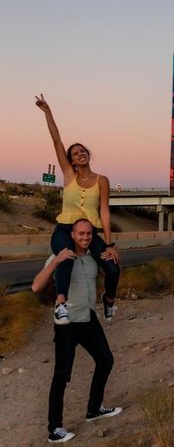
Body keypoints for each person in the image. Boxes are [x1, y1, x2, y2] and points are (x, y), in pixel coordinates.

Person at [32, 218, 123, 444]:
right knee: (61, 376)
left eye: (89, 234)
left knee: (106, 360)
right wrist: (55, 262)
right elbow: (36, 286)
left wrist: (111, 255)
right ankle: (55, 429)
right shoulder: (59, 258)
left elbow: (110, 274)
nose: (85, 238)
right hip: (68, 325)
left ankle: (94, 409)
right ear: (72, 235)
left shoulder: (92, 258)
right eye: (80, 234)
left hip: (89, 320)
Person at [35, 93, 120, 324]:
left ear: (88, 155)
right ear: (71, 161)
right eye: (75, 153)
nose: (80, 154)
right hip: (64, 230)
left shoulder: (102, 179)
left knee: (112, 268)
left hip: (88, 233)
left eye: (83, 151)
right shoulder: (68, 175)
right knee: (66, 257)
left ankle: (109, 299)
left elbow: (104, 210)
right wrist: (48, 112)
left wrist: (110, 244)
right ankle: (60, 303)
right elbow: (56, 140)